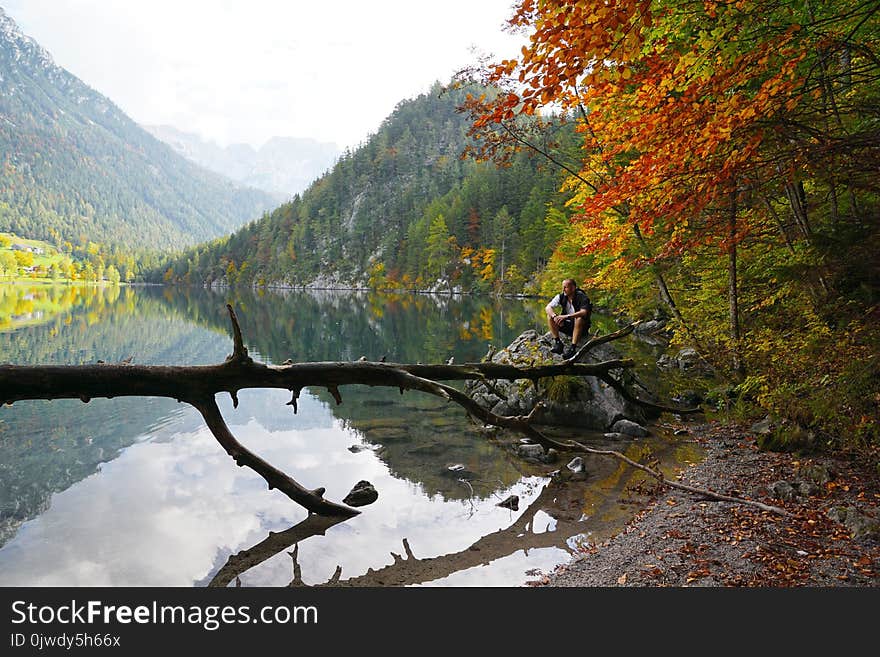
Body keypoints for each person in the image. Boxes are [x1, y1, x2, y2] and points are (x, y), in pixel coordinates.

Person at [545, 278, 592, 359]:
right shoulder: (561, 296)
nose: (563, 290)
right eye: (563, 287)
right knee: (549, 316)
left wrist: (566, 316)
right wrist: (554, 316)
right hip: (568, 326)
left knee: (579, 318)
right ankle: (558, 343)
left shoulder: (582, 296)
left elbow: (584, 312)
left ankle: (573, 348)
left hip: (581, 328)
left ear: (573, 288)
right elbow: (548, 307)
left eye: (565, 287)